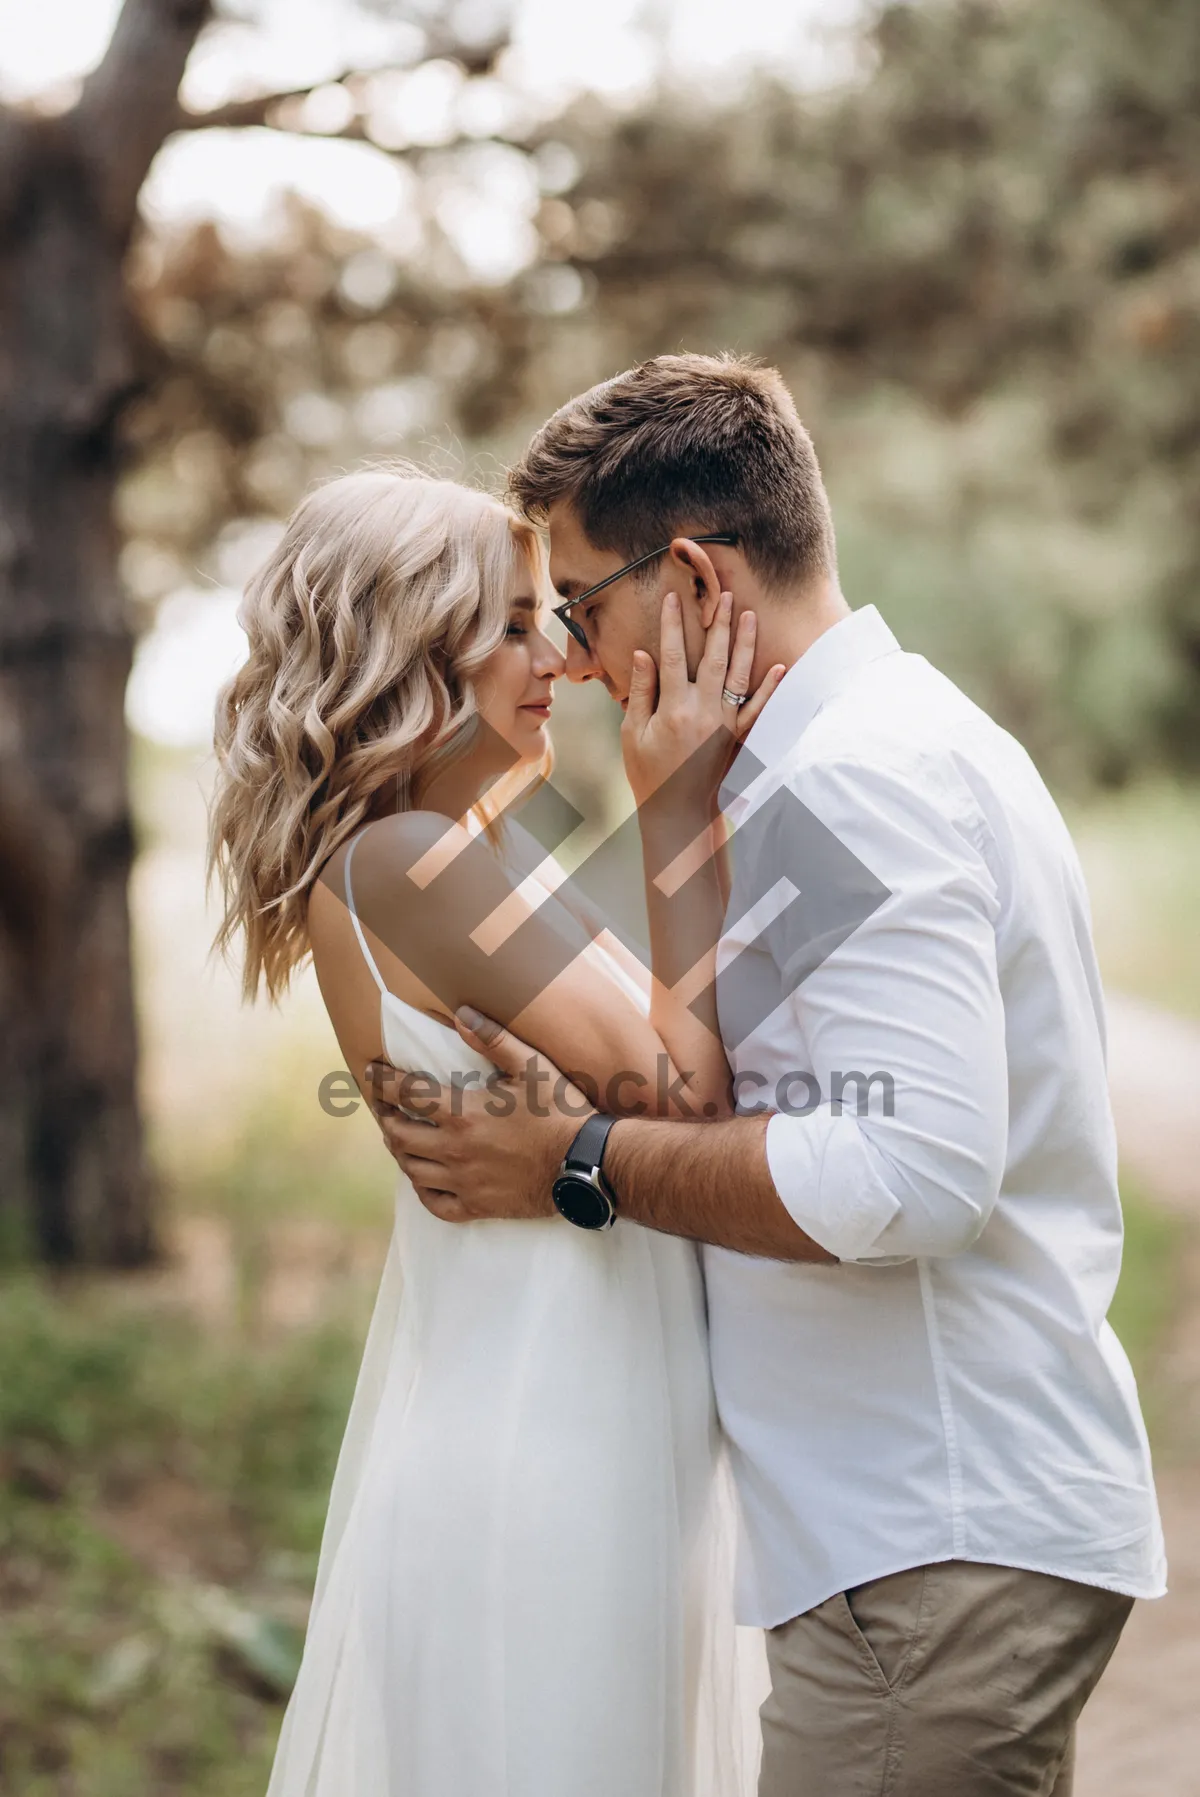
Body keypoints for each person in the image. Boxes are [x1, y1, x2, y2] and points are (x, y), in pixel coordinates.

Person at [368, 354, 1168, 1797]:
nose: (583, 660)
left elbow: (907, 1175)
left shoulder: (846, 776)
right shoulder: (878, 746)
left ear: (687, 576)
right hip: (933, 1535)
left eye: (580, 606)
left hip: (936, 1541)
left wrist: (577, 1161)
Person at [207, 464, 779, 1797]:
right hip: (542, 1475)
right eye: (519, 622)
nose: (563, 657)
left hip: (580, 1449)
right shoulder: (412, 862)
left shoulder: (469, 851)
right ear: (409, 646)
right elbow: (693, 1099)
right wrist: (680, 804)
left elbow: (682, 1071)